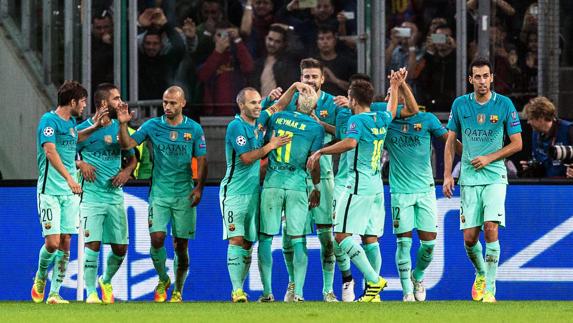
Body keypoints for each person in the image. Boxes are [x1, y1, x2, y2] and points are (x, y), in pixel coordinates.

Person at [307, 75, 401, 302]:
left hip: (358, 184)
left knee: (340, 235)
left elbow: (350, 142)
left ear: (353, 100)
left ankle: (374, 280)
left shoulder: (355, 121)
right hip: (377, 185)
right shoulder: (380, 117)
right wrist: (395, 86)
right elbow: (392, 109)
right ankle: (373, 293)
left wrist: (321, 151)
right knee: (370, 238)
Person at [117, 86, 207, 303]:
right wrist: (123, 123)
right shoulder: (153, 126)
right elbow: (128, 144)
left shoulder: (194, 129)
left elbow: (202, 160)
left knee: (181, 245)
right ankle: (163, 279)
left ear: (183, 103)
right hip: (159, 192)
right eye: (165, 102)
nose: (167, 106)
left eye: (173, 103)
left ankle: (178, 289)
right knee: (157, 238)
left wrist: (199, 188)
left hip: (184, 193)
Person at [220, 82, 309, 303]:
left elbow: (278, 106)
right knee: (236, 239)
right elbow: (247, 158)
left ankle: (239, 290)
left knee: (249, 242)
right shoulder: (236, 126)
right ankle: (237, 289)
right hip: (233, 193)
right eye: (253, 103)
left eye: (259, 102)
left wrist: (295, 87)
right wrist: (271, 146)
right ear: (241, 105)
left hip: (254, 192)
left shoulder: (259, 120)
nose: (258, 106)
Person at [443, 58, 523, 303]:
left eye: (485, 76)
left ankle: (490, 289)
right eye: (477, 77)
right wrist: (448, 174)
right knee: (469, 239)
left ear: (492, 78)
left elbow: (518, 143)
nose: (482, 81)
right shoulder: (460, 105)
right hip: (468, 178)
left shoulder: (504, 104)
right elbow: (450, 141)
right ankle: (481, 273)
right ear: (470, 80)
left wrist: (490, 157)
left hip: (495, 177)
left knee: (491, 229)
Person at [384, 77, 462, 302]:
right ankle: (407, 291)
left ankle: (417, 276)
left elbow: (449, 140)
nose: (394, 96)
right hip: (400, 191)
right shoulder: (385, 122)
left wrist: (466, 158)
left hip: (425, 190)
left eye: (397, 92)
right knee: (404, 242)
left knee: (428, 244)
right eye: (391, 93)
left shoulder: (426, 119)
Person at [32, 81, 107, 304]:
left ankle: (54, 293)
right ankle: (40, 276)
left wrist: (95, 126)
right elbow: (50, 151)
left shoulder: (72, 124)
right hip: (50, 192)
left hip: (70, 194)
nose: (85, 106)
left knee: (66, 242)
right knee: (52, 243)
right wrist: (69, 177)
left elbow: (76, 137)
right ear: (72, 102)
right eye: (82, 101)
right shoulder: (49, 121)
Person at [257, 85, 325, 303]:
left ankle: (267, 293)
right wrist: (316, 188)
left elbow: (268, 117)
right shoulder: (316, 128)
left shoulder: (278, 118)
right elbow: (313, 163)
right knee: (298, 239)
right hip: (297, 185)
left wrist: (292, 87)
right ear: (314, 106)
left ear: (296, 102)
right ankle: (299, 294)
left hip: (272, 183)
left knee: (266, 238)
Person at [75, 83, 137, 304]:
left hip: (114, 195)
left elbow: (132, 156)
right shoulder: (82, 128)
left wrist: (127, 172)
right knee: (93, 244)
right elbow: (66, 154)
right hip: (91, 196)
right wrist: (80, 164)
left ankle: (106, 280)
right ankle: (91, 292)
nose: (120, 102)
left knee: (120, 248)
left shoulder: (119, 128)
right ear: (103, 103)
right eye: (116, 98)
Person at [521, 96, 573, 178]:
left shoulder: (569, 129)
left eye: (530, 118)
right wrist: (532, 167)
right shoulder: (535, 135)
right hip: (546, 186)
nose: (528, 122)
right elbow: (541, 162)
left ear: (541, 117)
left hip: (566, 186)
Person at [248, 25, 300, 97]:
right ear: (265, 38)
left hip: (280, 106)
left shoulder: (288, 63)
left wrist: (289, 29)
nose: (272, 44)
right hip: (260, 105)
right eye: (270, 39)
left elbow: (297, 49)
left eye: (277, 41)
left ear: (283, 44)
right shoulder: (258, 62)